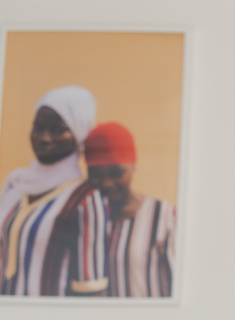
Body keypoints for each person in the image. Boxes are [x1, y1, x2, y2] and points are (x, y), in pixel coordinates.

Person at [0, 86, 108, 297]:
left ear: (79, 132)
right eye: (38, 127)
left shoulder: (85, 198)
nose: (44, 138)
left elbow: (92, 289)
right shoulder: (16, 186)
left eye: (58, 130)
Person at [83, 122, 177, 298]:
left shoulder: (163, 217)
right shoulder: (85, 218)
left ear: (133, 166)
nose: (106, 183)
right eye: (96, 174)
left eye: (117, 173)